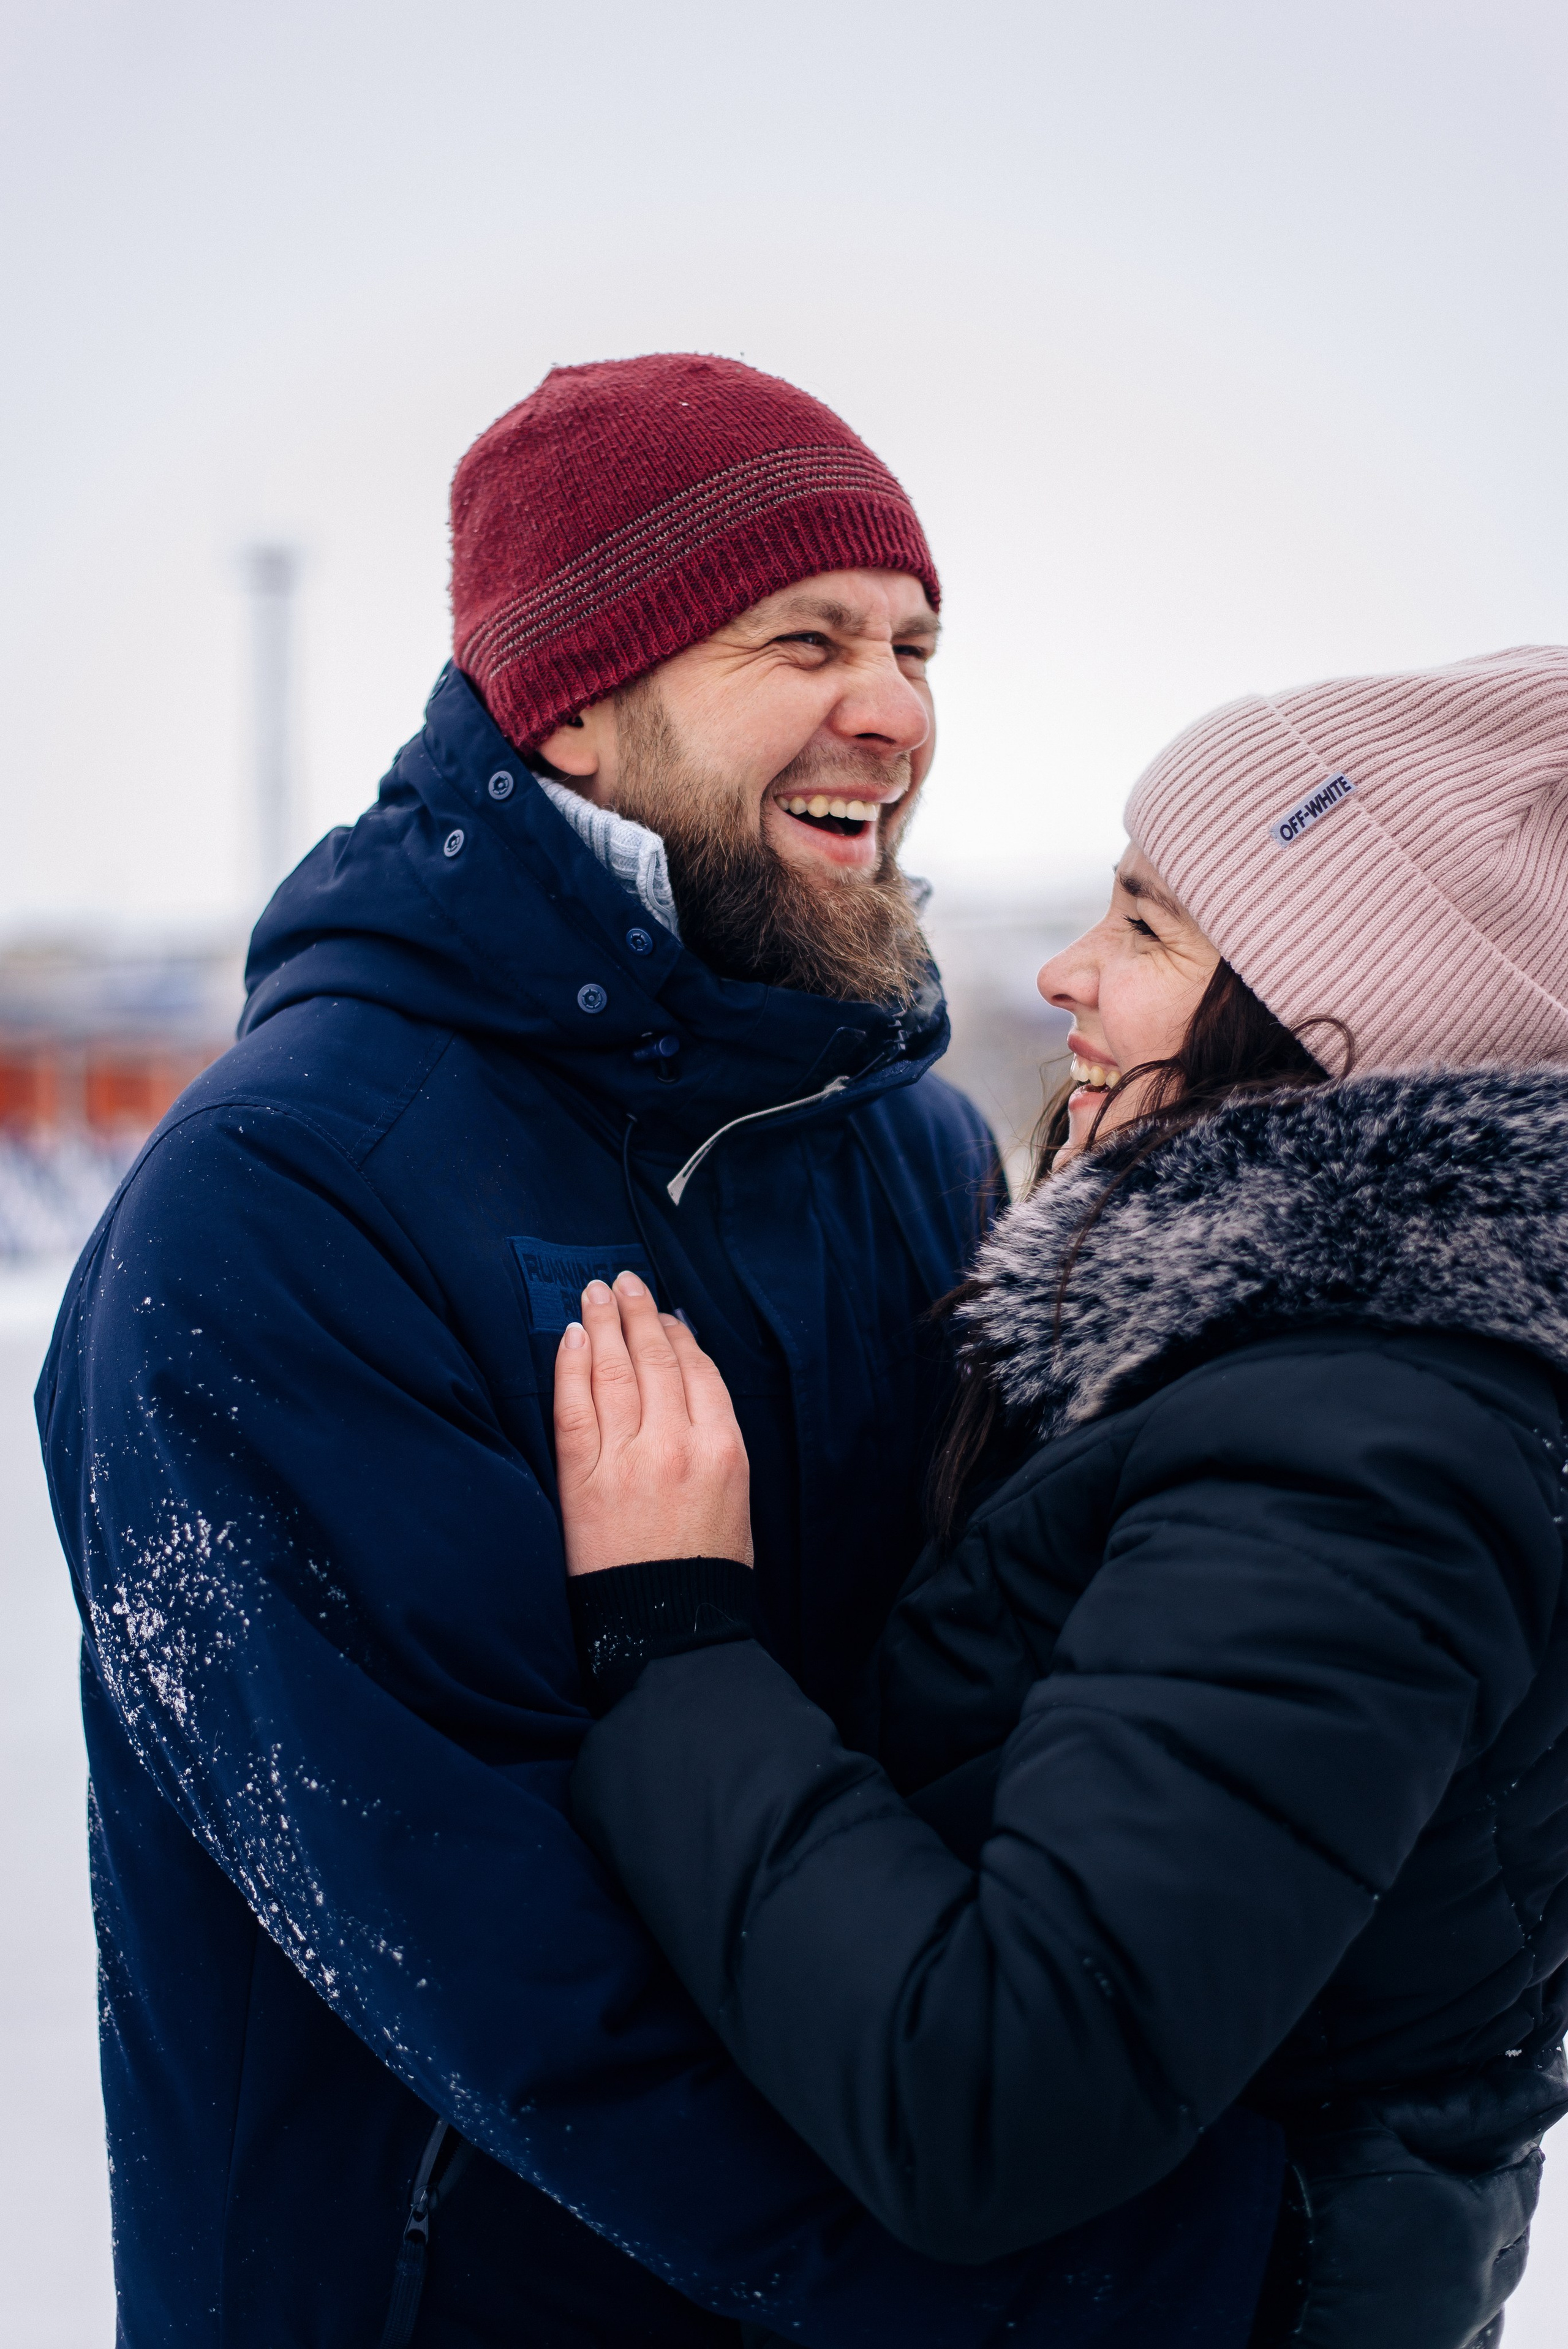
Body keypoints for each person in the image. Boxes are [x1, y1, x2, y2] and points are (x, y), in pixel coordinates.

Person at [36, 354, 1279, 2347]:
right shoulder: (280, 1209)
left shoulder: (905, 1141)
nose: (895, 704)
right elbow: (494, 1961)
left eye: (913, 640)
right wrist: (1085, 2297)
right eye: (804, 638)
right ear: (579, 710)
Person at [561, 646, 1568, 2349]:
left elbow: (997, 2097)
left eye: (1149, 928)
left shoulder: (1351, 1454)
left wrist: (677, 1645)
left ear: (1337, 1020)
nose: (1063, 973)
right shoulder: (1360, 1375)